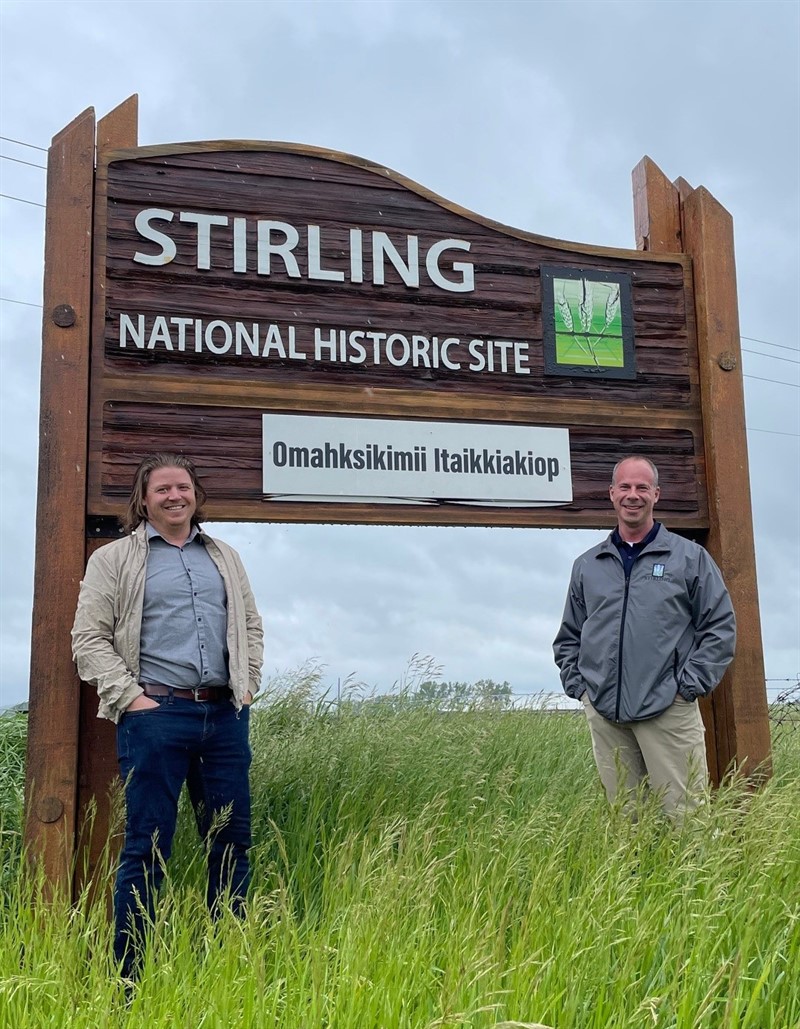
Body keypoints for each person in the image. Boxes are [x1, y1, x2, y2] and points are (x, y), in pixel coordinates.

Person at [71, 453, 263, 979]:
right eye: (163, 489)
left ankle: (228, 968)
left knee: (231, 844)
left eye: (183, 487)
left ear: (196, 494)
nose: (174, 496)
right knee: (147, 847)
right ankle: (130, 978)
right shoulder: (114, 559)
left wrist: (248, 687)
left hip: (224, 717)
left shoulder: (224, 555)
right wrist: (133, 700)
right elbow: (88, 641)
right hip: (156, 716)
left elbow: (250, 625)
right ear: (144, 499)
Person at [553, 455, 736, 822]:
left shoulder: (689, 558)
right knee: (626, 822)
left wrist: (687, 686)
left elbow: (720, 627)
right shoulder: (588, 565)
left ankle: (691, 882)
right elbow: (569, 636)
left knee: (687, 820)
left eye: (641, 488)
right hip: (606, 714)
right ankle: (635, 882)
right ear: (611, 494)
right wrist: (583, 690)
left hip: (668, 710)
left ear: (656, 494)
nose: (632, 495)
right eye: (625, 487)